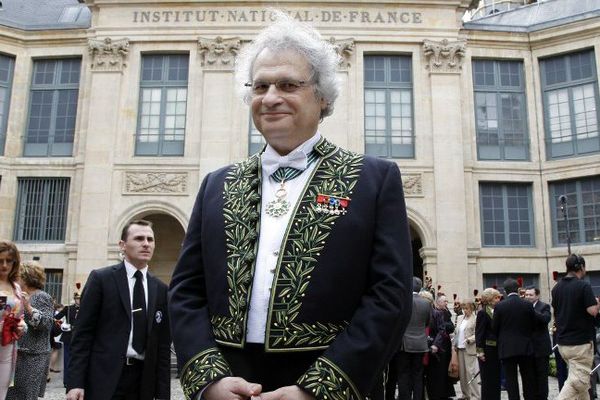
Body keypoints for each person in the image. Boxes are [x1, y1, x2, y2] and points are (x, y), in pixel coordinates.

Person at [168, 11, 413, 400]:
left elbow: (390, 296)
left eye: (287, 84)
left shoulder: (373, 179)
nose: (270, 98)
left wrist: (317, 390)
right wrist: (209, 379)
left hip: (330, 381)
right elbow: (185, 291)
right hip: (231, 382)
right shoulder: (217, 184)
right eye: (260, 86)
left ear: (322, 97)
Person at [66, 219, 171, 400]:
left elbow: (162, 346)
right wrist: (75, 383)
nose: (146, 244)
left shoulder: (161, 289)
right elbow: (82, 335)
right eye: (139, 238)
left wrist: (162, 393)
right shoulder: (101, 279)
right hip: (104, 379)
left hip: (143, 382)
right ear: (122, 245)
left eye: (150, 239)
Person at [552, 254, 600, 400]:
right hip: (580, 344)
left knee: (582, 385)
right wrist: (597, 305)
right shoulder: (583, 285)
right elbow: (592, 311)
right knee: (577, 382)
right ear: (581, 267)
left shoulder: (556, 288)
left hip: (563, 344)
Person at [6, 261, 54, 400]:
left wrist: (28, 307)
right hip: (16, 353)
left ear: (27, 277)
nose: (15, 278)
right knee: (10, 394)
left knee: (27, 395)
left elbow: (46, 324)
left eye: (18, 275)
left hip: (33, 356)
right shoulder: (16, 295)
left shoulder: (42, 296)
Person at [387, 277, 430, 400]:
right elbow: (427, 322)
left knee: (403, 375)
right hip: (420, 344)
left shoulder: (402, 301)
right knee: (418, 376)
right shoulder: (426, 303)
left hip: (404, 345)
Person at [492, 278, 536, 400]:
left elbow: (494, 328)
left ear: (505, 291)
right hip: (525, 346)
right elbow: (533, 325)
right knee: (528, 378)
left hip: (507, 348)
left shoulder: (500, 306)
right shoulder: (527, 304)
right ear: (518, 289)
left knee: (511, 380)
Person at [0, 241, 27, 399]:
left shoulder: (16, 287)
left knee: (2, 391)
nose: (4, 265)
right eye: (0, 260)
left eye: (8, 260)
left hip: (8, 347)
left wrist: (22, 326)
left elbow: (20, 316)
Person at [524, 286, 552, 400]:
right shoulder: (524, 307)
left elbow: (545, 319)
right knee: (530, 377)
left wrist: (531, 310)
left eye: (530, 295)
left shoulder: (544, 306)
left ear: (537, 295)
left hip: (541, 349)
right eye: (526, 295)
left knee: (542, 377)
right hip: (528, 349)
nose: (528, 297)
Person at [425, 295, 455, 400]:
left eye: (447, 301)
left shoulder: (446, 312)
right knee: (436, 371)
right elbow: (443, 328)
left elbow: (451, 327)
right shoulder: (435, 313)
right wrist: (444, 326)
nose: (447, 303)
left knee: (444, 370)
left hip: (446, 344)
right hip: (437, 345)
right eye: (444, 301)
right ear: (437, 303)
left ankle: (445, 393)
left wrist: (444, 325)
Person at [476, 287, 502, 400]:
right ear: (490, 299)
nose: (498, 299)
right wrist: (480, 351)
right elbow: (479, 333)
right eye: (496, 297)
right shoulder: (482, 312)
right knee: (487, 379)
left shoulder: (499, 311)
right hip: (487, 350)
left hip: (497, 349)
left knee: (496, 378)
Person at [453, 299, 480, 400]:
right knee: (462, 374)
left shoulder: (476, 318)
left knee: (470, 373)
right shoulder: (460, 318)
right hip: (459, 348)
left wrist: (470, 339)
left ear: (472, 308)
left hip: (469, 349)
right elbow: (456, 332)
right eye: (463, 308)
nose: (465, 310)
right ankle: (465, 394)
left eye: (467, 308)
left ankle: (475, 395)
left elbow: (477, 333)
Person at [55, 291, 80, 387]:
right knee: (67, 360)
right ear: (75, 299)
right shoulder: (68, 308)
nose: (79, 300)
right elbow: (56, 318)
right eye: (78, 298)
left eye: (81, 298)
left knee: (78, 360)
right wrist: (63, 325)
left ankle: (76, 381)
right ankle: (67, 381)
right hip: (68, 336)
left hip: (80, 337)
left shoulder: (86, 308)